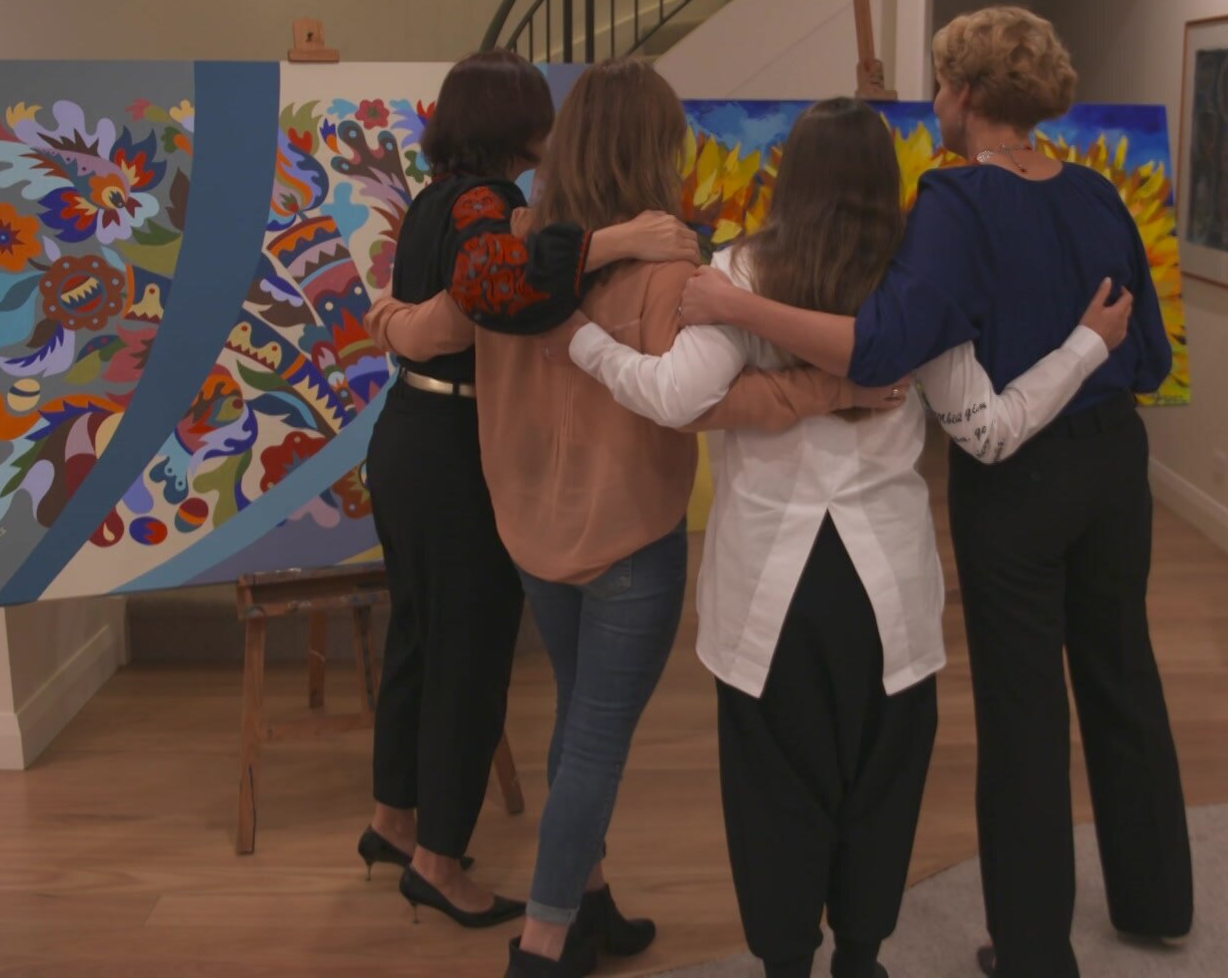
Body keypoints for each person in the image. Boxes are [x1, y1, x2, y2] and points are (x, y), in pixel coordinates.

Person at [557, 97, 1135, 978]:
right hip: (887, 590)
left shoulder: (744, 270)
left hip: (767, 593)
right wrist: (1088, 348)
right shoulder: (917, 281)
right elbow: (986, 427)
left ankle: (787, 961)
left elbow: (675, 397)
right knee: (881, 785)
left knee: (773, 793)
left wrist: (585, 346)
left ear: (792, 176)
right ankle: (861, 959)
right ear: (886, 183)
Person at [676, 8, 1195, 977]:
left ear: (961, 95)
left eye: (941, 86)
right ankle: (1158, 894)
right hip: (1118, 466)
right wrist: (1086, 348)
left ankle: (1036, 948)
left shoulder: (953, 205)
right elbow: (1152, 349)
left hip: (1023, 482)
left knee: (1026, 711)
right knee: (1125, 673)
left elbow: (882, 347)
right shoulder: (1101, 195)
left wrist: (736, 304)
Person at [369, 58, 888, 978]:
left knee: (579, 721)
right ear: (657, 148)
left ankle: (590, 899)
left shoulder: (513, 247)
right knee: (595, 741)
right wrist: (827, 385)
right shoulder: (668, 263)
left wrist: (387, 318)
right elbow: (695, 402)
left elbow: (435, 330)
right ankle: (545, 941)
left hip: (529, 529)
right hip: (626, 545)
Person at [356, 48, 699, 930]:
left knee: (424, 641)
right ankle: (444, 863)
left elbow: (448, 310)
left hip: (420, 443)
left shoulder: (450, 204)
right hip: (454, 458)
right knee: (469, 662)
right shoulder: (497, 214)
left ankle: (398, 821)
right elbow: (476, 296)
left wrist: (392, 323)